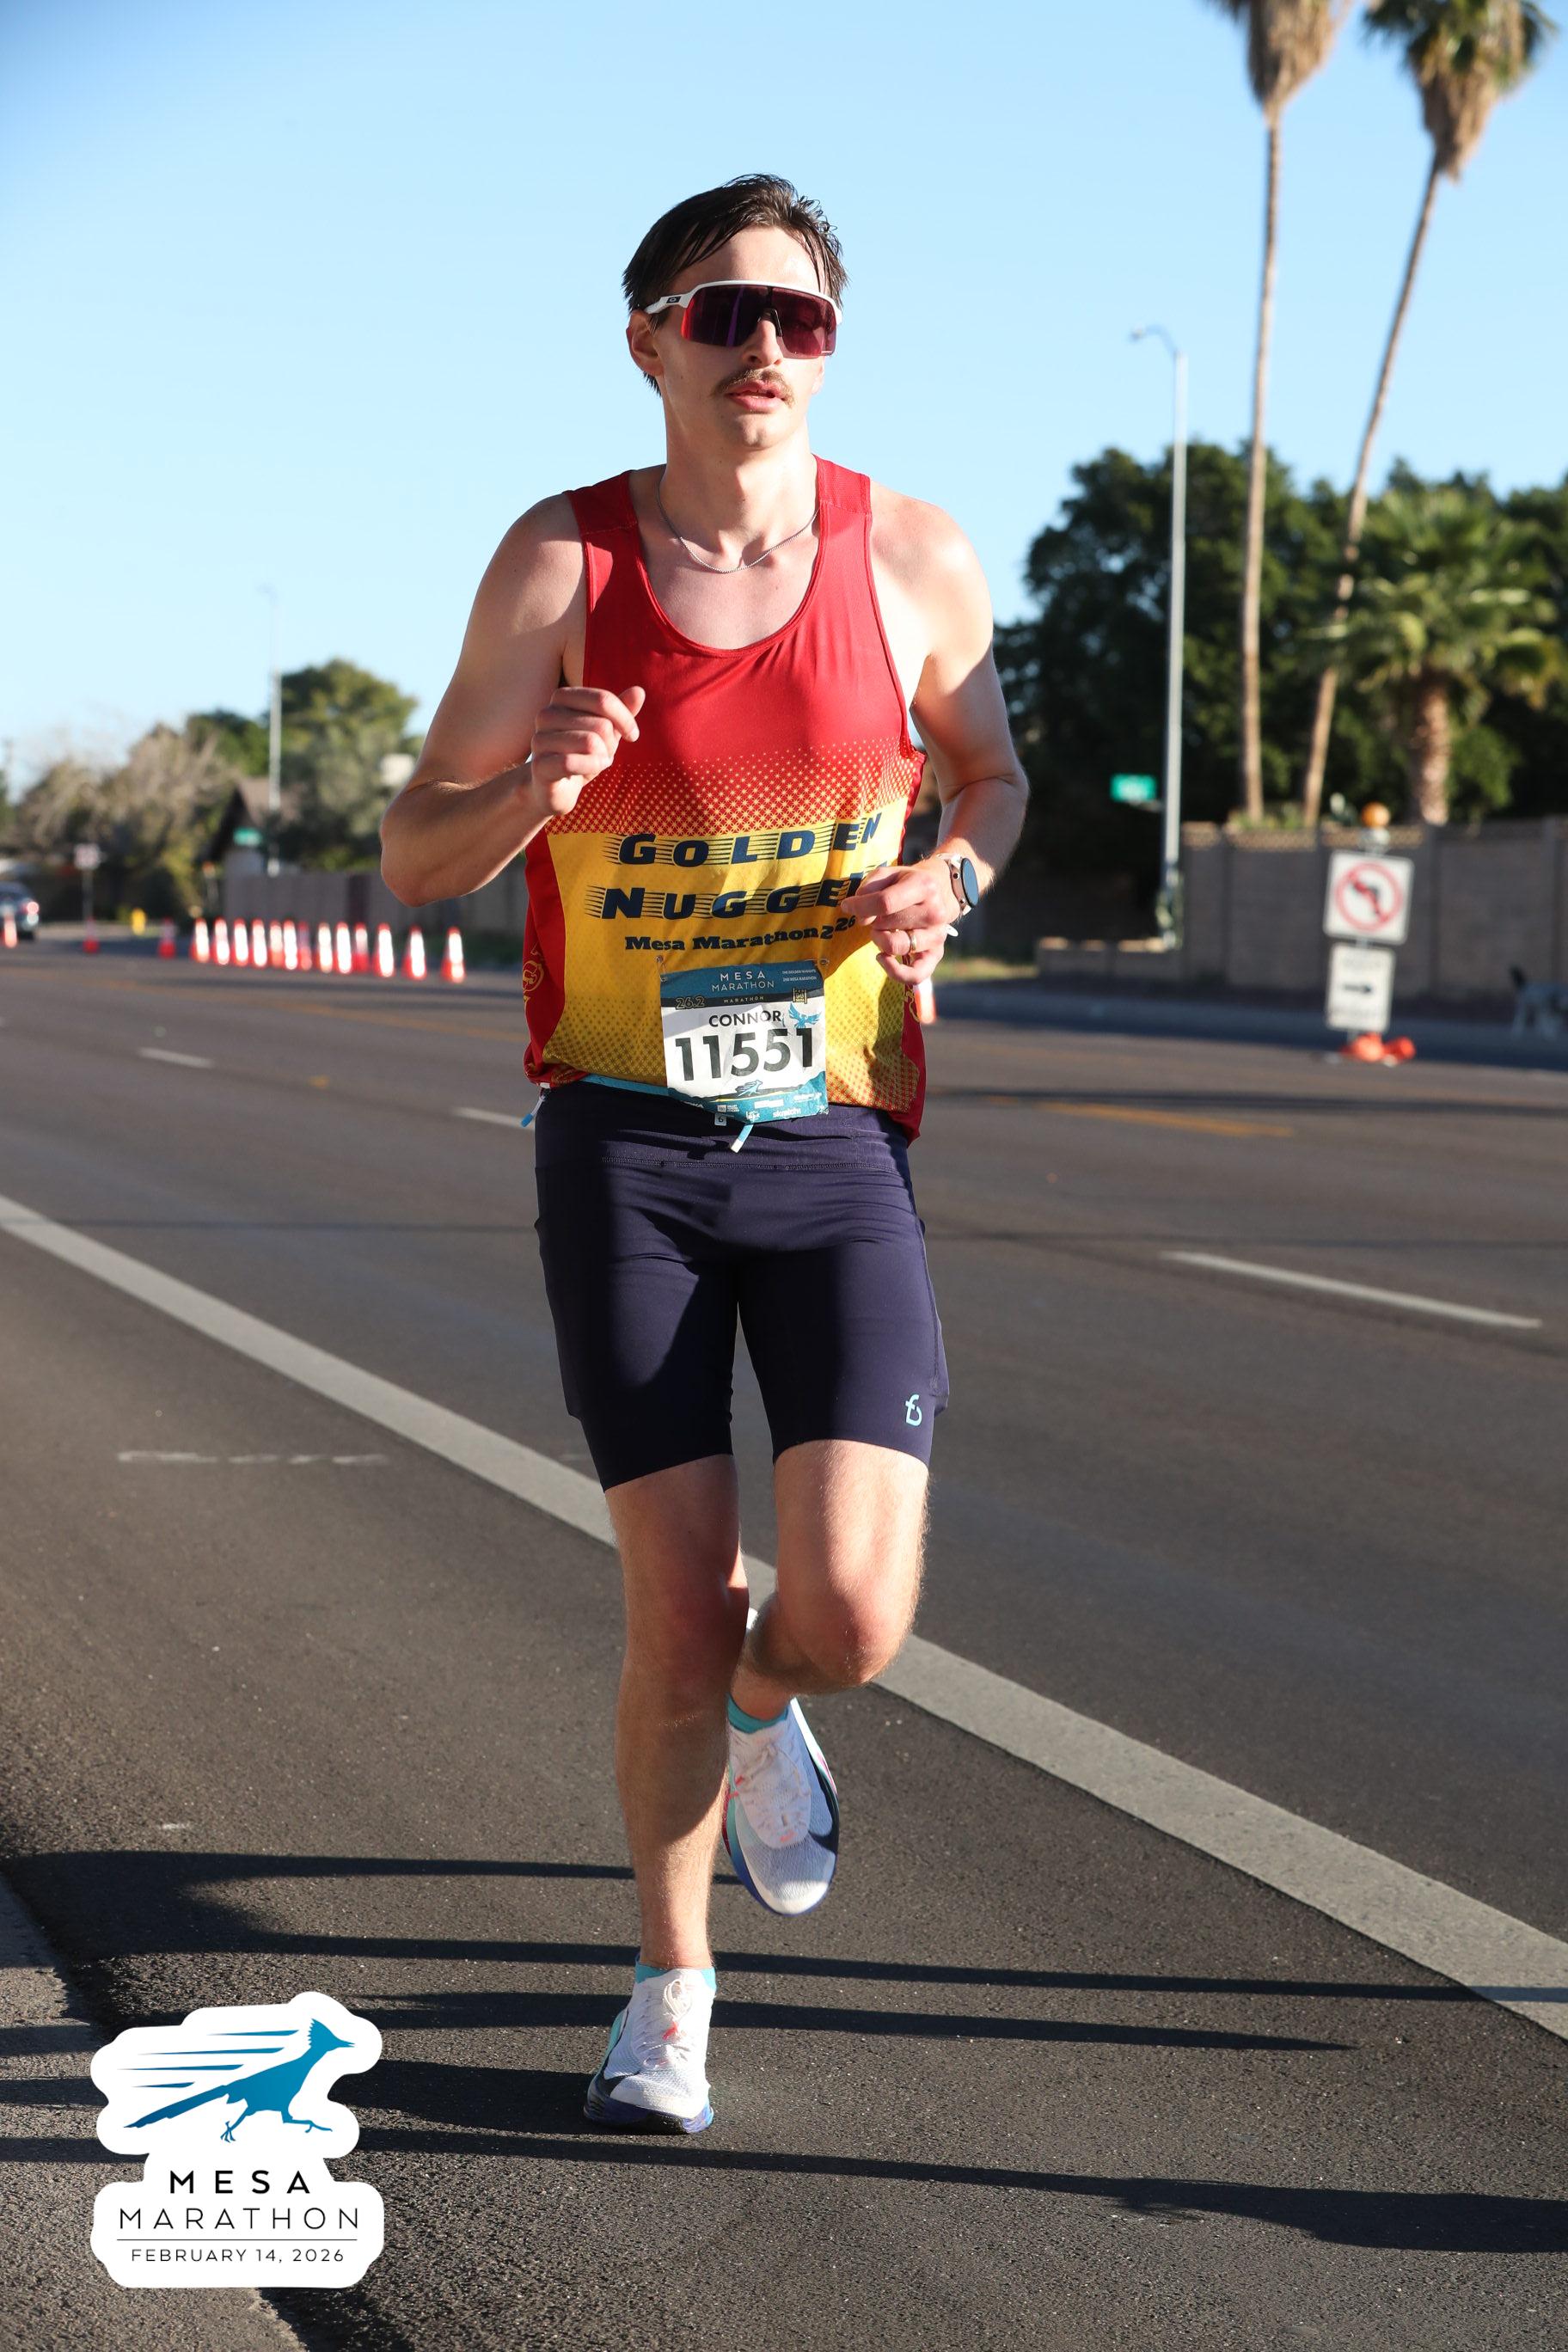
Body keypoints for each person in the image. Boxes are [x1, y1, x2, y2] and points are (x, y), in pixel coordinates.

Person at [382, 174, 1027, 2135]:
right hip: (627, 1146)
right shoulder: (562, 565)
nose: (763, 349)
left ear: (829, 351)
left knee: (849, 1617)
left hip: (834, 1137)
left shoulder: (910, 555)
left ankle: (768, 1715)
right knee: (673, 1606)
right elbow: (414, 854)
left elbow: (991, 777)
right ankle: (670, 1996)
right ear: (648, 339)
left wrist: (950, 882)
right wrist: (531, 787)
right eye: (724, 312)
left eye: (798, 318)